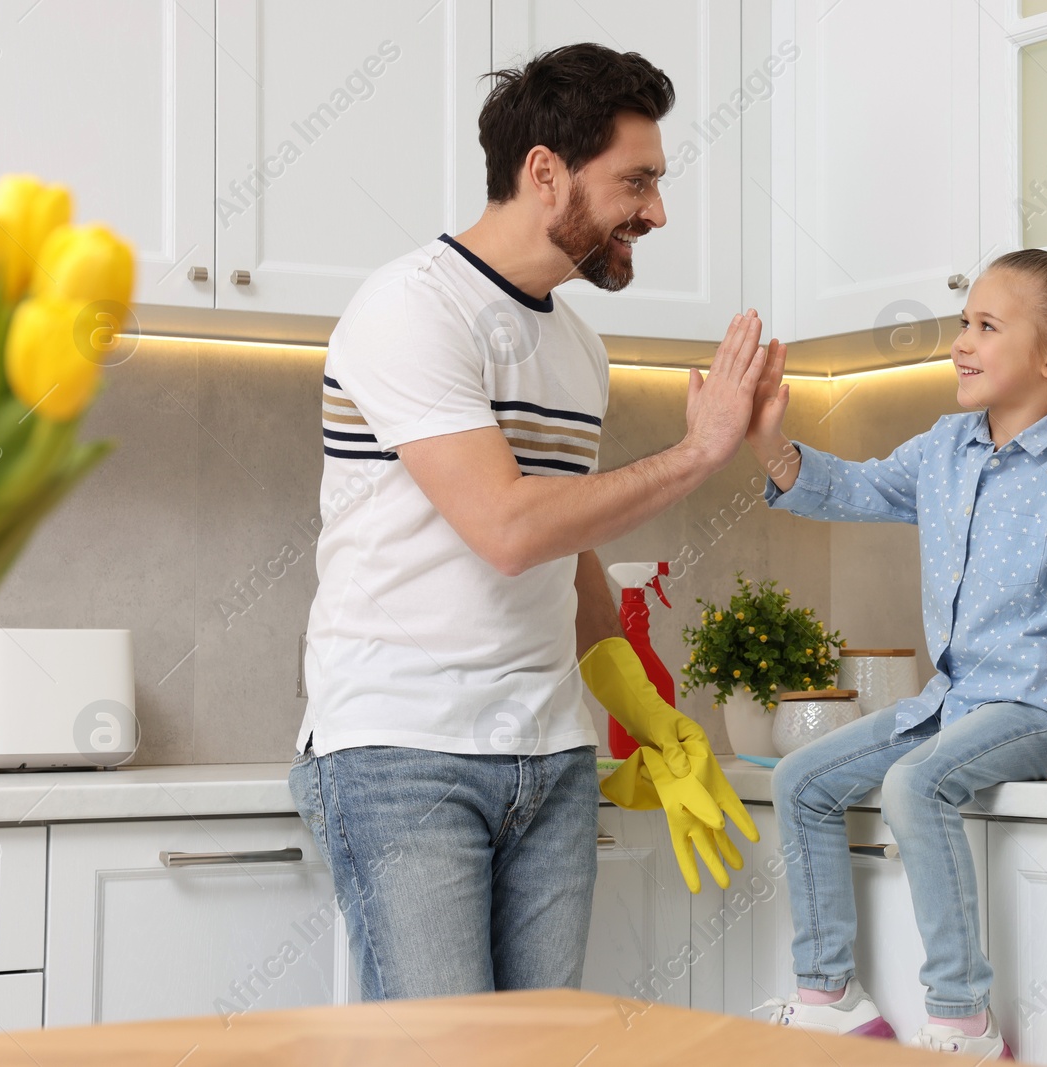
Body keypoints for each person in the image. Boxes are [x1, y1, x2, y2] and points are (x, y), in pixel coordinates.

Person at [289, 43, 761, 1002]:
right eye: (638, 181)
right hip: (404, 752)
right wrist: (698, 454)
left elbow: (561, 539)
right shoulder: (409, 308)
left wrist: (637, 708)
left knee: (544, 1050)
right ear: (544, 172)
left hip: (549, 755)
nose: (657, 212)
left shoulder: (577, 343)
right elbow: (506, 526)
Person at [743, 226, 1047, 1058]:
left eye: (985, 327)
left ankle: (962, 1017)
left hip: (1044, 705)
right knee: (801, 778)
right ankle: (829, 995)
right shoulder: (946, 449)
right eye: (963, 320)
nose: (961, 343)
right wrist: (769, 442)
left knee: (916, 783)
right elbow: (857, 489)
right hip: (956, 703)